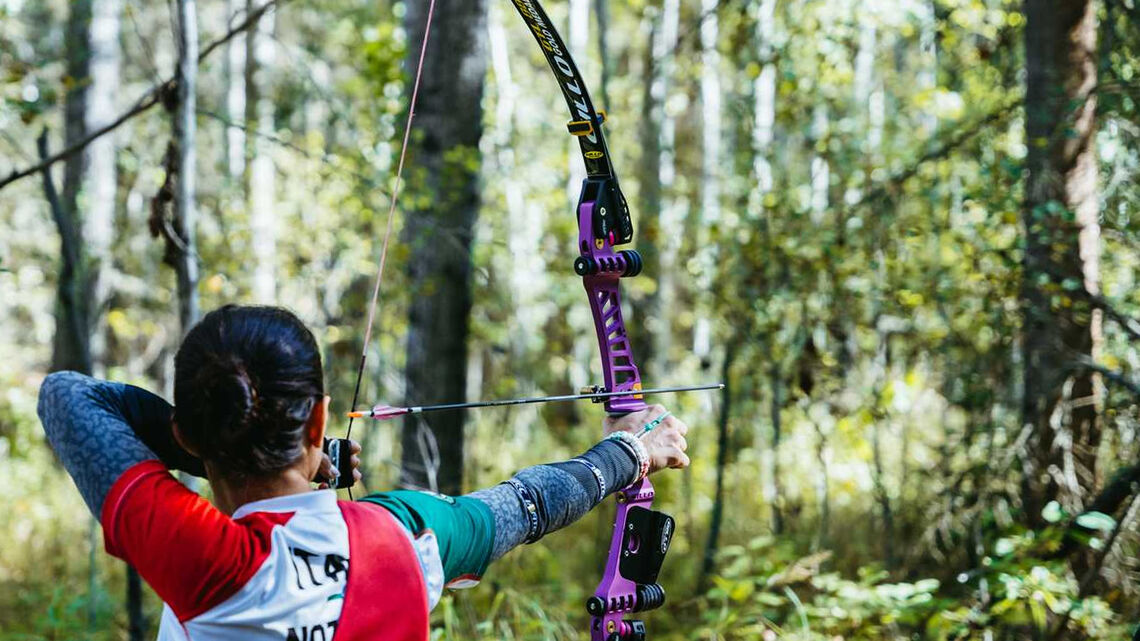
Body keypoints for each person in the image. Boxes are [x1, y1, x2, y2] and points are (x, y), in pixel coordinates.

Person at [37, 304, 690, 641]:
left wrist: (215, 450)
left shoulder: (206, 562)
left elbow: (69, 397)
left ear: (185, 434)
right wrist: (626, 453)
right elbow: (524, 505)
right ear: (318, 421)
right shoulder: (402, 537)